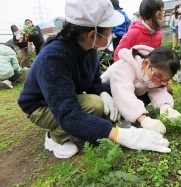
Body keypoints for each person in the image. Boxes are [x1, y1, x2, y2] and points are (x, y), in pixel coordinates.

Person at [18, 0, 172, 159]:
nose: (112, 34)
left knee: (100, 103)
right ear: (92, 34)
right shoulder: (54, 58)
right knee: (95, 105)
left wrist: (104, 94)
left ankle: (77, 125)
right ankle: (55, 137)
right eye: (110, 30)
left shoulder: (89, 48)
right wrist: (119, 135)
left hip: (63, 98)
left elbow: (94, 81)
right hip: (40, 106)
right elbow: (68, 114)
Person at [101, 45, 181, 134]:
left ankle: (127, 114)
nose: (157, 82)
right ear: (146, 63)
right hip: (108, 95)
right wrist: (144, 119)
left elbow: (158, 91)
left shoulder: (152, 73)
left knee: (165, 90)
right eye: (158, 76)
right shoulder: (124, 67)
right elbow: (123, 95)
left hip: (129, 95)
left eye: (164, 80)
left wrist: (165, 107)